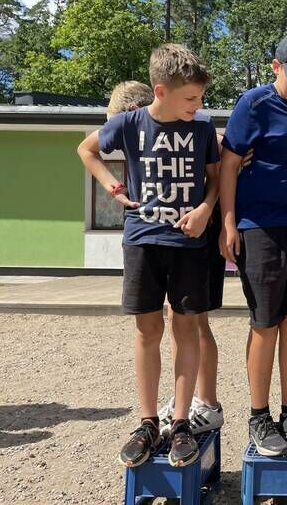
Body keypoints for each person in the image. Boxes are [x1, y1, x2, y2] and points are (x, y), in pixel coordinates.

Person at [77, 44, 219, 467]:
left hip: (188, 244)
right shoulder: (128, 123)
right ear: (160, 91)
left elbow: (215, 180)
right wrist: (111, 186)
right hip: (142, 239)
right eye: (190, 97)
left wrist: (205, 209)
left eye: (200, 97)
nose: (198, 105)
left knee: (186, 329)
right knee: (147, 331)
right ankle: (148, 422)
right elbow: (86, 150)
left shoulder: (203, 129)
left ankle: (181, 422)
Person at [219, 34, 287, 456]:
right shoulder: (253, 104)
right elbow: (228, 165)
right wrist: (228, 224)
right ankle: (259, 417)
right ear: (275, 67)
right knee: (265, 324)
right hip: (259, 226)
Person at [105, 81, 232, 438]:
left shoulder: (197, 125)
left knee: (192, 322)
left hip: (198, 231)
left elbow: (221, 157)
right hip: (167, 231)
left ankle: (205, 403)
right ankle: (185, 401)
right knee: (178, 321)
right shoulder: (151, 126)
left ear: (135, 111)